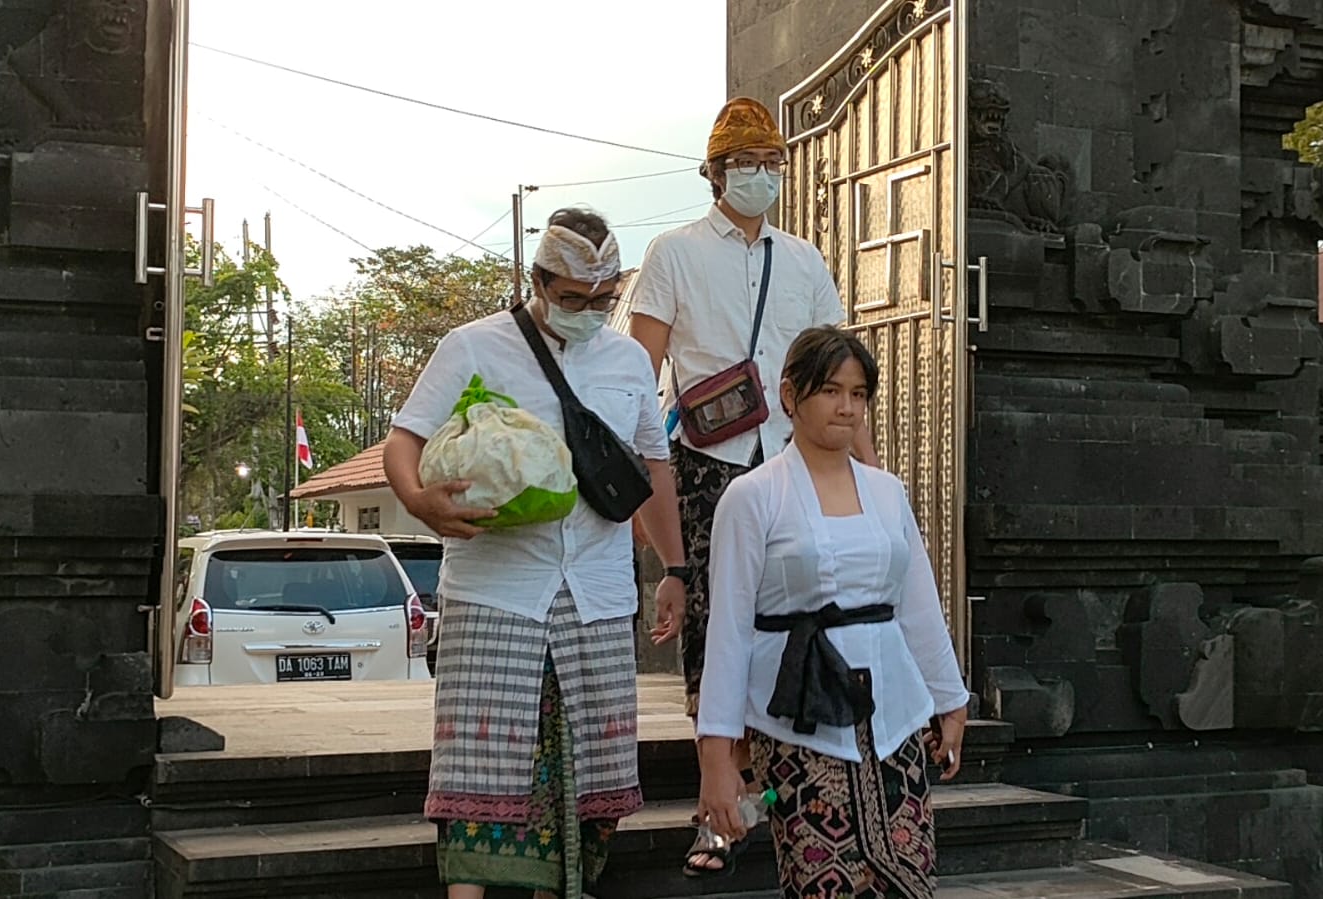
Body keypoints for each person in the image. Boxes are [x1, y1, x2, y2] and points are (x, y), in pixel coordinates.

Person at [384, 208, 687, 899]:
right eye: (572, 298)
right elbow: (405, 438)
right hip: (496, 587)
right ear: (538, 280)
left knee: (592, 774)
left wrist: (675, 568)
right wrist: (420, 500)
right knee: (477, 771)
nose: (587, 313)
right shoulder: (471, 347)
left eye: (602, 301)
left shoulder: (626, 361)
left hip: (597, 590)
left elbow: (654, 467)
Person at [625, 96, 880, 875]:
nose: (761, 176)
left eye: (772, 165)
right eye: (747, 165)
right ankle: (717, 812)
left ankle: (806, 793)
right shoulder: (672, 253)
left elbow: (841, 373)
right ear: (714, 172)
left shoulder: (801, 260)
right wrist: (658, 535)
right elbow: (637, 380)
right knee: (716, 629)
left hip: (798, 460)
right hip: (710, 462)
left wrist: (870, 485)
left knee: (810, 619)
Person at [695, 327, 970, 899]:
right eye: (830, 391)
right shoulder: (753, 497)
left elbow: (917, 603)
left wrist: (950, 700)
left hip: (895, 718)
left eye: (859, 393)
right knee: (823, 881)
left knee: (909, 881)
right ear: (790, 396)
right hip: (800, 722)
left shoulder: (887, 492)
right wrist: (716, 758)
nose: (847, 407)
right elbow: (727, 631)